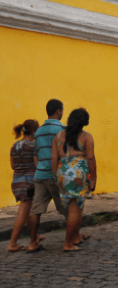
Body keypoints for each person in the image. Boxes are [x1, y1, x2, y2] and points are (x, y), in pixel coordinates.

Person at [51, 108, 97, 252]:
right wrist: (94, 178)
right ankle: (68, 243)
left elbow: (54, 158)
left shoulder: (58, 137)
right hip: (78, 175)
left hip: (62, 173)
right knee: (74, 210)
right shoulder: (86, 137)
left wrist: (56, 176)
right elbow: (90, 158)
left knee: (77, 207)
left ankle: (76, 237)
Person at [28, 99, 68, 252]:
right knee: (68, 207)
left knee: (35, 209)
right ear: (58, 111)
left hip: (40, 175)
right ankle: (74, 236)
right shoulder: (63, 129)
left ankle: (32, 243)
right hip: (55, 174)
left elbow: (37, 154)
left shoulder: (38, 132)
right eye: (62, 110)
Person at [8, 120, 39, 252]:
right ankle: (12, 243)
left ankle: (34, 236)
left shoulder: (14, 146)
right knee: (22, 213)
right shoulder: (33, 146)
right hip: (29, 182)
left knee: (26, 212)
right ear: (32, 131)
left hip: (17, 182)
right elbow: (37, 165)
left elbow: (13, 166)